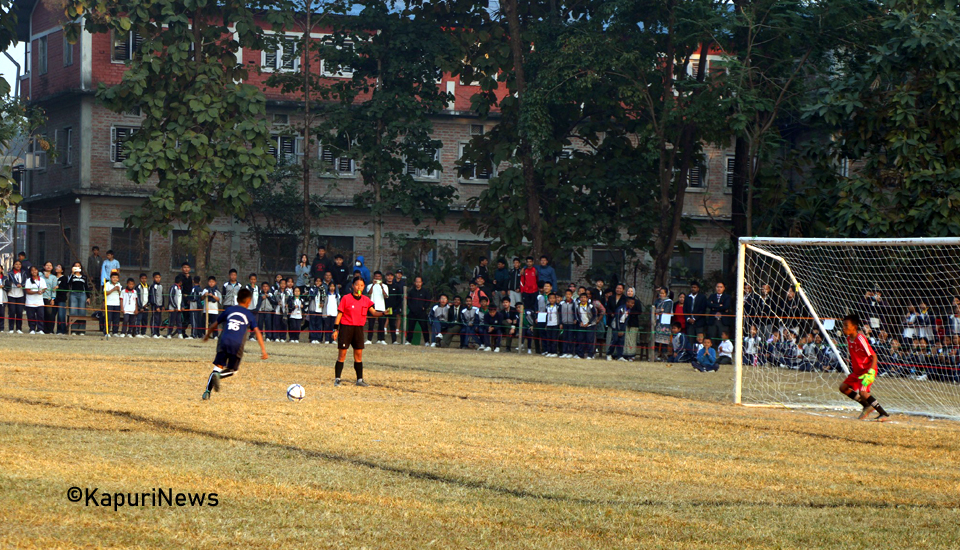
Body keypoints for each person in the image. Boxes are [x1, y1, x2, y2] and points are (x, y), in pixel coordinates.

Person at [201, 288, 269, 400]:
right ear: (249, 301)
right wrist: (263, 351)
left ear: (237, 299)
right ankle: (218, 376)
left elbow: (214, 325)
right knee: (233, 370)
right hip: (236, 344)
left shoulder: (229, 310)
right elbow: (257, 332)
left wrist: (207, 336)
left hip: (223, 341)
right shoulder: (249, 314)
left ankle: (207, 392)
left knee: (217, 367)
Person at [331, 276, 385, 387]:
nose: (358, 287)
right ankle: (337, 379)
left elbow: (374, 313)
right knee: (342, 354)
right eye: (356, 285)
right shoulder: (346, 298)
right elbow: (340, 314)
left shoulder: (366, 300)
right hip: (346, 328)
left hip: (359, 329)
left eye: (361, 285)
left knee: (358, 355)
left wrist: (384, 313)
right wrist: (335, 329)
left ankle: (359, 380)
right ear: (352, 286)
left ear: (364, 287)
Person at [839, 314, 890, 421]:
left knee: (863, 392)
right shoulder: (849, 339)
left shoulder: (861, 338)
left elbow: (874, 356)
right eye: (843, 325)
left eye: (846, 325)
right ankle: (866, 405)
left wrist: (871, 371)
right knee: (843, 388)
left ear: (855, 327)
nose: (843, 328)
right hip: (857, 372)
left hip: (867, 370)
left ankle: (883, 413)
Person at [405, 276, 431, 345]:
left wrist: (424, 308)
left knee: (424, 327)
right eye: (417, 282)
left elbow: (428, 301)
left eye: (419, 282)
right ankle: (408, 341)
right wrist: (411, 308)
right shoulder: (411, 292)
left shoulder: (425, 292)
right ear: (414, 282)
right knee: (410, 327)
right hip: (412, 313)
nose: (418, 283)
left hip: (422, 313)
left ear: (421, 283)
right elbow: (408, 301)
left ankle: (427, 341)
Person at [65, 263, 90, 335]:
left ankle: (81, 330)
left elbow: (86, 286)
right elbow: (68, 284)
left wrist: (88, 297)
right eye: (75, 266)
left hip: (82, 294)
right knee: (73, 312)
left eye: (78, 266)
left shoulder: (84, 277)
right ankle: (73, 330)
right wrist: (72, 274)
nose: (77, 267)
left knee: (82, 312)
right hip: (73, 294)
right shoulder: (71, 276)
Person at [365, 271, 389, 345]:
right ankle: (369, 339)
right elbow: (369, 294)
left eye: (379, 277)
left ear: (381, 277)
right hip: (372, 306)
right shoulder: (369, 285)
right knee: (371, 324)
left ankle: (381, 339)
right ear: (373, 277)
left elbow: (386, 296)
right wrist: (373, 285)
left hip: (381, 306)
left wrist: (381, 286)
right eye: (376, 276)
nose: (377, 278)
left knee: (381, 324)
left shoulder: (385, 286)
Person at [24, 265, 48, 334]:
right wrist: (36, 292)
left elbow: (44, 288)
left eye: (35, 270)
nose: (34, 271)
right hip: (30, 302)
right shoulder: (28, 280)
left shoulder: (42, 280)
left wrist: (41, 291)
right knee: (31, 316)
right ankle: (32, 329)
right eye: (32, 270)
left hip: (40, 302)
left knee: (40, 316)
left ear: (37, 271)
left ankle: (40, 329)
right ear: (30, 272)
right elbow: (28, 291)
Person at [576, 292, 598, 359]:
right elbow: (577, 315)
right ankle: (580, 354)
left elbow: (594, 315)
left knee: (590, 340)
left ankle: (590, 354)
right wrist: (580, 322)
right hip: (582, 325)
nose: (583, 299)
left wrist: (589, 323)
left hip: (590, 325)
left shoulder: (590, 306)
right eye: (581, 298)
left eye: (584, 297)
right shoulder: (578, 306)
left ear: (587, 299)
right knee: (581, 339)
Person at [5, 260, 25, 333]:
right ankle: (11, 328)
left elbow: (24, 281)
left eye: (19, 264)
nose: (18, 265)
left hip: (20, 295)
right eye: (16, 264)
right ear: (13, 265)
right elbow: (12, 279)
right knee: (12, 312)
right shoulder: (10, 273)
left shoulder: (23, 273)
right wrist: (17, 284)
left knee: (19, 312)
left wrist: (22, 284)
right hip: (11, 294)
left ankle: (19, 328)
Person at [653, 288, 673, 361]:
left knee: (664, 340)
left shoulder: (669, 301)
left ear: (666, 294)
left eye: (663, 293)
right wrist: (659, 310)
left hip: (665, 323)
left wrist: (659, 310)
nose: (661, 295)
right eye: (660, 293)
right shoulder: (658, 301)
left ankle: (664, 355)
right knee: (657, 339)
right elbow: (654, 309)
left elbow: (665, 310)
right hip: (658, 322)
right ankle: (655, 354)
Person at [384, 272, 403, 344]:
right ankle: (381, 339)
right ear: (385, 277)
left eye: (391, 276)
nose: (389, 277)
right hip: (383, 308)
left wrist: (395, 307)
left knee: (392, 324)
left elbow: (399, 298)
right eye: (388, 276)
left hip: (392, 308)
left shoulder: (396, 286)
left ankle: (394, 340)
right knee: (382, 323)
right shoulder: (383, 285)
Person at [307, 277, 326, 344]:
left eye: (319, 281)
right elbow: (311, 296)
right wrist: (316, 289)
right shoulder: (312, 288)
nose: (318, 283)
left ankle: (318, 338)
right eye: (317, 281)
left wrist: (322, 303)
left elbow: (324, 297)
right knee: (312, 324)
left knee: (319, 324)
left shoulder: (323, 289)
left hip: (320, 310)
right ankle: (312, 338)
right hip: (313, 308)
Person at [103, 270, 122, 336]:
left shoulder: (119, 284)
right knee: (108, 319)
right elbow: (105, 293)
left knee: (116, 319)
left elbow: (121, 294)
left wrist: (119, 290)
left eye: (116, 278)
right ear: (111, 278)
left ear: (118, 279)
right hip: (109, 304)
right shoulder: (107, 284)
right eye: (113, 278)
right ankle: (106, 332)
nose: (115, 279)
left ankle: (115, 332)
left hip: (117, 304)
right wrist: (113, 289)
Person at [53, 265, 68, 334]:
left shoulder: (64, 278)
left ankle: (62, 330)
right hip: (53, 298)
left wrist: (59, 287)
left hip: (61, 299)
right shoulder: (52, 277)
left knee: (61, 315)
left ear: (62, 270)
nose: (57, 268)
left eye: (59, 267)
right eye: (56, 267)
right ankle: (50, 330)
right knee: (52, 315)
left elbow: (66, 288)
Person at [149, 272, 164, 338]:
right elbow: (153, 297)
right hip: (155, 305)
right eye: (156, 277)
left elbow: (162, 296)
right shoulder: (153, 286)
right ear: (153, 278)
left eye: (159, 277)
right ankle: (153, 332)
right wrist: (156, 306)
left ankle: (157, 332)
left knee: (159, 319)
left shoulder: (160, 286)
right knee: (154, 319)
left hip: (160, 305)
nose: (158, 279)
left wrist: (163, 305)